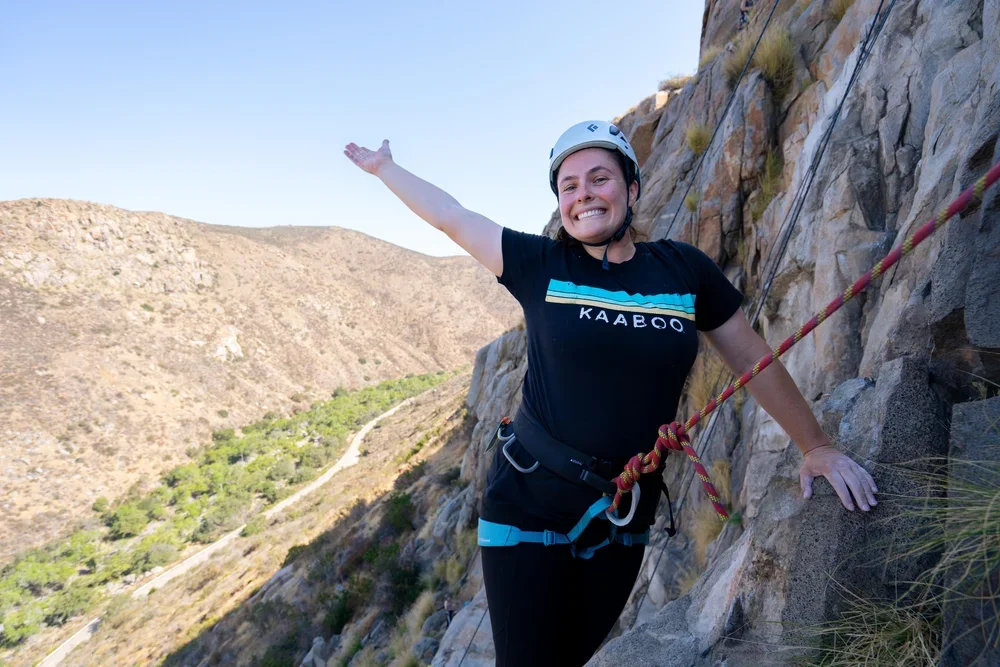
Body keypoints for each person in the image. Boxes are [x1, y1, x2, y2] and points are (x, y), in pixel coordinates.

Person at [343, 121, 878, 666]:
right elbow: (451, 216)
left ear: (632, 188)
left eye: (599, 179)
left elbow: (750, 358)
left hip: (623, 515)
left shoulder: (682, 270)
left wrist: (816, 446)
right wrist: (385, 169)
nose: (584, 195)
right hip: (528, 504)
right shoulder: (540, 265)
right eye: (569, 186)